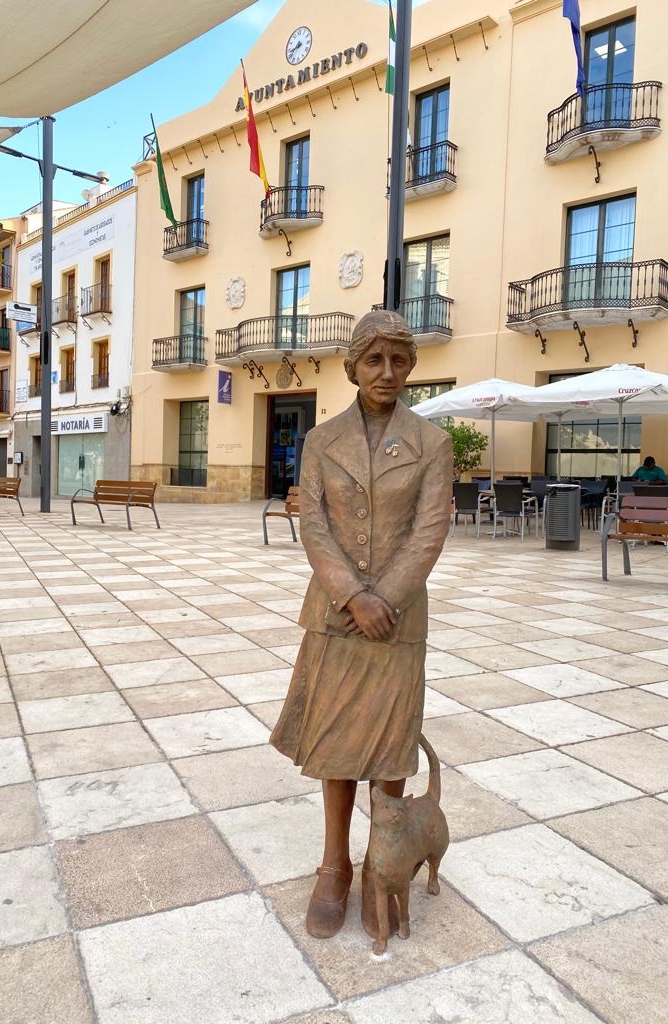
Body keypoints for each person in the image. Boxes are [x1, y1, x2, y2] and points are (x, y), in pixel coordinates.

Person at [269, 309, 453, 941]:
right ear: (352, 366)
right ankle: (332, 867)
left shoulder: (433, 443)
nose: (387, 372)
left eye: (399, 360)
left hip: (398, 624)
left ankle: (384, 863)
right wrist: (353, 594)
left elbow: (431, 528)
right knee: (335, 747)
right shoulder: (322, 441)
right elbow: (312, 523)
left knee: (391, 746)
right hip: (335, 617)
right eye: (374, 360)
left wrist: (389, 599)